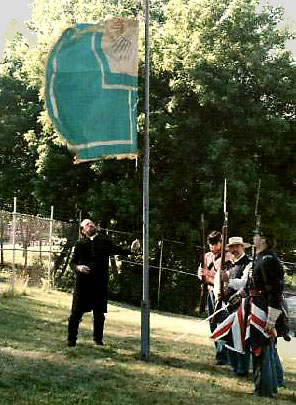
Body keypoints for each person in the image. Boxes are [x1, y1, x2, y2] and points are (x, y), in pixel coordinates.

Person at [67, 219, 140, 347]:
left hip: (99, 284)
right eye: (87, 225)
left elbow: (119, 250)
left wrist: (131, 249)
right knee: (76, 313)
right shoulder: (79, 244)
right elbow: (72, 263)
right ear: (83, 230)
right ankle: (71, 340)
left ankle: (98, 340)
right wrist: (79, 268)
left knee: (99, 314)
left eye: (91, 223)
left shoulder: (104, 241)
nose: (91, 225)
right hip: (83, 284)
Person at [198, 230, 229, 365]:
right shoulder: (207, 256)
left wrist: (208, 277)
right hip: (210, 292)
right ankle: (220, 352)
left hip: (221, 294)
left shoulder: (227, 257)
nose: (212, 246)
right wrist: (202, 275)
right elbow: (200, 274)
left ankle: (223, 355)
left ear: (221, 243)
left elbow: (223, 279)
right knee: (212, 324)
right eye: (210, 243)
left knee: (221, 324)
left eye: (215, 243)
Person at [223, 236, 252, 377]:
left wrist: (229, 280)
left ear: (243, 247)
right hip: (226, 304)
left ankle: (242, 368)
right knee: (227, 336)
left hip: (242, 305)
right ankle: (234, 366)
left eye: (237, 246)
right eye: (232, 247)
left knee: (241, 338)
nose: (234, 249)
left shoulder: (249, 263)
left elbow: (245, 284)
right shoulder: (228, 264)